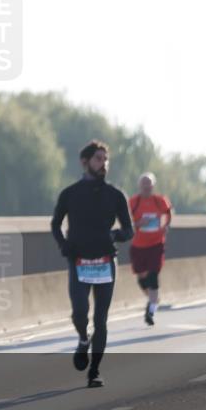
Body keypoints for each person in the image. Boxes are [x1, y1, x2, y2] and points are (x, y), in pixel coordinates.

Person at [51, 140, 134, 387]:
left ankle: (94, 371)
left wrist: (115, 235)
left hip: (106, 262)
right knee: (79, 313)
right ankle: (82, 339)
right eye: (98, 159)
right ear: (85, 162)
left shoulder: (116, 195)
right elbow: (55, 224)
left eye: (105, 159)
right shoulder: (70, 194)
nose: (103, 164)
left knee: (101, 319)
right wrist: (63, 245)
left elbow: (129, 230)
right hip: (79, 261)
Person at [128, 173, 172, 326]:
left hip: (156, 244)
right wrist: (139, 223)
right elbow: (127, 224)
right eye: (143, 184)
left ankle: (151, 310)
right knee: (142, 279)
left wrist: (166, 225)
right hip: (138, 246)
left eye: (149, 183)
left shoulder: (160, 200)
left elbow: (168, 213)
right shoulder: (133, 202)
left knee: (153, 276)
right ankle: (153, 299)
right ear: (139, 186)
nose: (146, 186)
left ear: (153, 185)